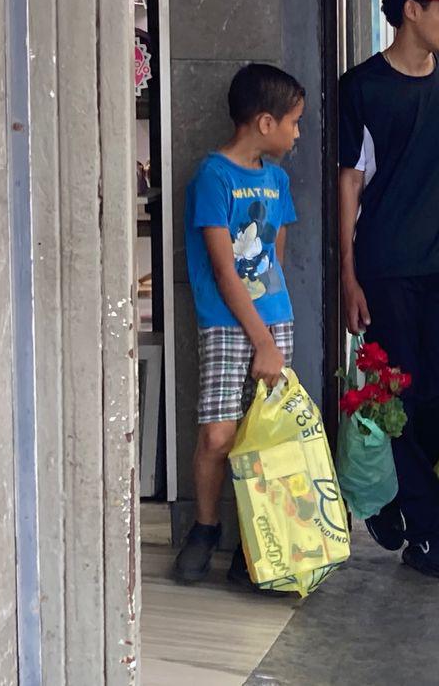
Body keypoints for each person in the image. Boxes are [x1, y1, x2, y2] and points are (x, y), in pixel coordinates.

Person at [338, 0, 439, 579]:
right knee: (397, 397)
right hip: (387, 265)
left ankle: (401, 497)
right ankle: (429, 531)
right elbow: (348, 182)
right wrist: (347, 274)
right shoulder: (362, 88)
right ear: (410, 8)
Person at [172, 63, 305, 588]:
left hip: (274, 321)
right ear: (265, 122)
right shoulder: (214, 177)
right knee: (218, 434)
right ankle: (206, 528)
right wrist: (260, 340)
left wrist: (273, 330)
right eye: (293, 122)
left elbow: (276, 252)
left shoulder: (277, 179)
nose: (297, 133)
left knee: (263, 438)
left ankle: (254, 547)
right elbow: (226, 270)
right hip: (229, 324)